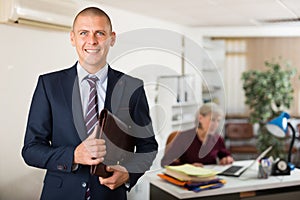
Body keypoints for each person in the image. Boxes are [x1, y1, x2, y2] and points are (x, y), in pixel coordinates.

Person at [22, 7, 158, 200]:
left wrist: (129, 173)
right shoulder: (49, 85)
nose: (92, 41)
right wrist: (74, 155)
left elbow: (148, 146)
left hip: (110, 195)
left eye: (100, 33)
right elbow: (31, 150)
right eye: (83, 33)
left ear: (112, 38)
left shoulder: (132, 88)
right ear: (72, 38)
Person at [161, 102, 233, 167]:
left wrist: (227, 159)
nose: (216, 124)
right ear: (200, 118)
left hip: (210, 178)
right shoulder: (184, 137)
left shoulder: (217, 139)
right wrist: (188, 167)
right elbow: (165, 162)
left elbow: (225, 155)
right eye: (213, 120)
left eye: (218, 121)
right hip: (188, 178)